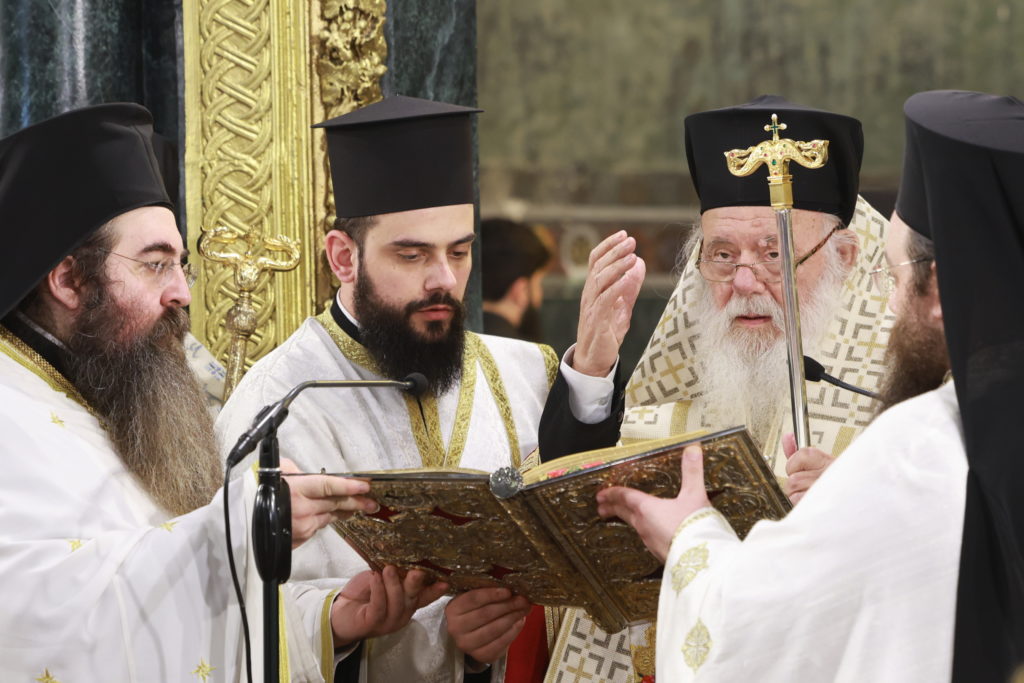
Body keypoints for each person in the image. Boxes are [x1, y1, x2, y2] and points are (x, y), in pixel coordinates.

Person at [0, 103, 452, 682]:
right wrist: (234, 531)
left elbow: (174, 624)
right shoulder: (12, 412)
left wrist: (329, 621)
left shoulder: (102, 390)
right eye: (155, 265)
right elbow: (34, 624)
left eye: (181, 265)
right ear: (69, 280)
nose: (182, 293)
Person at [596, 89, 1024, 681]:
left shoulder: (922, 446)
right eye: (722, 255)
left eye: (896, 275)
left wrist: (691, 539)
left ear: (944, 293)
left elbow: (749, 633)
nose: (888, 302)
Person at [215, 95, 644, 682]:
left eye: (459, 252)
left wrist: (592, 368)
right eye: (412, 254)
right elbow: (236, 614)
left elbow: (583, 541)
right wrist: (382, 630)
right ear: (344, 258)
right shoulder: (279, 401)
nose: (443, 280)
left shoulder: (525, 371)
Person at [545, 95, 894, 682]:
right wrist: (594, 364)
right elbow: (570, 515)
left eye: (775, 254)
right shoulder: (676, 391)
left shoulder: (904, 408)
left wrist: (862, 516)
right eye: (722, 256)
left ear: (845, 256)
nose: (745, 282)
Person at [480, 217, 552, 341]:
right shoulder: (530, 352)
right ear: (520, 291)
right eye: (538, 284)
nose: (539, 299)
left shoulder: (453, 346)